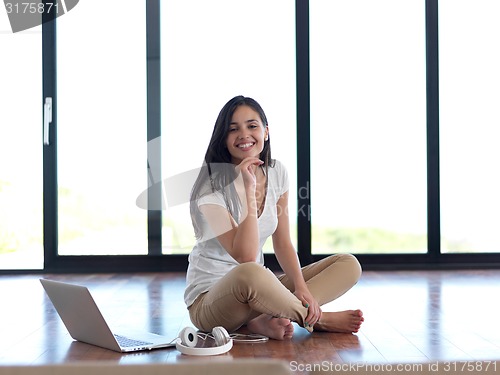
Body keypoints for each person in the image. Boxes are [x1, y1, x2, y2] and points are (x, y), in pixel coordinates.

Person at [185, 95, 363, 340]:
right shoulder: (210, 188)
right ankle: (317, 319)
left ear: (266, 132)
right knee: (252, 272)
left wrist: (301, 287)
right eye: (233, 129)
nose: (244, 134)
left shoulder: (276, 172)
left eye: (252, 126)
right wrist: (248, 189)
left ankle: (264, 317)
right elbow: (246, 256)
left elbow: (282, 242)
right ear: (223, 139)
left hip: (257, 293)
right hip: (210, 302)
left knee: (348, 264)